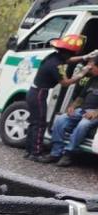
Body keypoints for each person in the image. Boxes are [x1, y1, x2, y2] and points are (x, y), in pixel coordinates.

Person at [25, 34, 92, 163]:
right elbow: (65, 83)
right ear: (68, 52)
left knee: (34, 122)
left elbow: (69, 60)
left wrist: (84, 57)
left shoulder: (54, 56)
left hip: (34, 92)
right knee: (40, 123)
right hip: (39, 94)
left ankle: (29, 151)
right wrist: (81, 74)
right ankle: (36, 153)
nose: (72, 55)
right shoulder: (56, 66)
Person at [49, 59, 98, 166]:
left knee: (83, 125)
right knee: (61, 119)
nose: (89, 69)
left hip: (94, 114)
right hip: (82, 110)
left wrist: (95, 113)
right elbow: (81, 97)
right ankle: (55, 152)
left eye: (91, 67)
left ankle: (69, 154)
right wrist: (72, 106)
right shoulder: (92, 80)